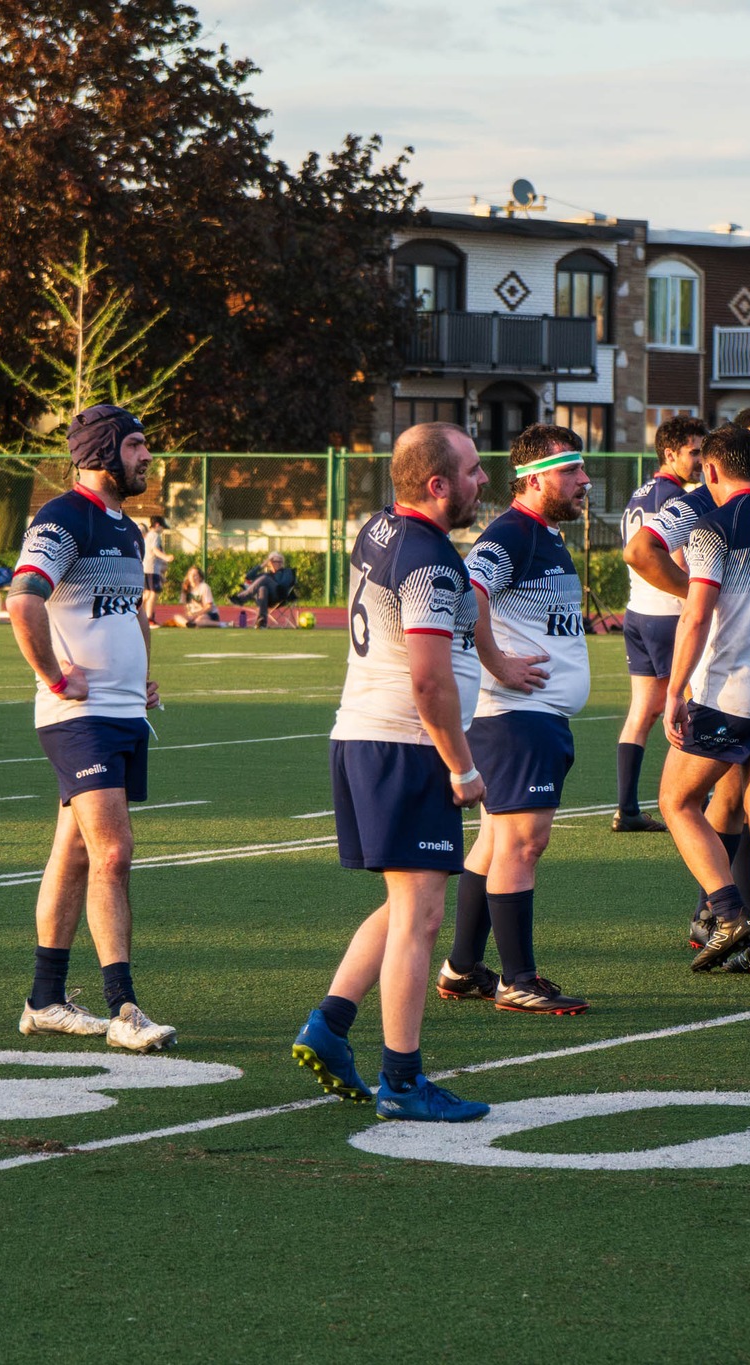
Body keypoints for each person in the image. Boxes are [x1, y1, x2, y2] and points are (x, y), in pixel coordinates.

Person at [290, 421, 491, 1123]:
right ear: (436, 486)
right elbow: (430, 682)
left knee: (404, 901)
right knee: (423, 914)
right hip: (406, 745)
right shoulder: (429, 560)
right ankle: (402, 1080)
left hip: (363, 736)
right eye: (471, 470)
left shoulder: (380, 527)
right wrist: (462, 767)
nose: (483, 480)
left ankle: (330, 1024)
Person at [626, 405, 750, 952]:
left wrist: (713, 601)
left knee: (705, 803)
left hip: (737, 685)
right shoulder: (701, 504)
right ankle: (729, 923)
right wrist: (698, 593)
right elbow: (639, 551)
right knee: (748, 810)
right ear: (742, 450)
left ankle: (731, 916)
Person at [7, 404, 175, 1052]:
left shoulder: (126, 528)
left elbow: (129, 612)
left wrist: (142, 677)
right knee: (113, 851)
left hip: (121, 710)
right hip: (82, 718)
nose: (146, 457)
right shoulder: (62, 517)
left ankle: (45, 999)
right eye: (136, 445)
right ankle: (123, 1008)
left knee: (74, 851)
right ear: (105, 451)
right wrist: (54, 676)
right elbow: (24, 599)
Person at [439, 424, 593, 1015]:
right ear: (532, 479)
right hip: (517, 716)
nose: (584, 481)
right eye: (570, 471)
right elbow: (468, 590)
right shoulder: (513, 532)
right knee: (524, 843)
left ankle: (461, 967)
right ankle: (517, 979)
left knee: (497, 841)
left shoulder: (544, 533)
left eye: (581, 470)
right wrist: (497, 662)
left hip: (531, 717)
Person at [613, 414, 707, 832]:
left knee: (643, 710)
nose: (701, 460)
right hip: (668, 613)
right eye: (695, 452)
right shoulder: (677, 497)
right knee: (692, 705)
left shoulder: (640, 492)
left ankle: (627, 808)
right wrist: (696, 595)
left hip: (637, 612)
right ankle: (693, 802)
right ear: (670, 453)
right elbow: (679, 558)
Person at [229, 550, 295, 628]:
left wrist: (273, 578)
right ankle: (262, 622)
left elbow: (284, 584)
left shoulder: (287, 572)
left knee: (264, 579)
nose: (278, 563)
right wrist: (261, 566)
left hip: (279, 595)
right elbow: (248, 577)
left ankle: (241, 598)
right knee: (263, 588)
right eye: (275, 561)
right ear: (269, 562)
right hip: (265, 598)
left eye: (280, 561)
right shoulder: (265, 574)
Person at [141, 514, 171, 620]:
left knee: (148, 594)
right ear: (157, 525)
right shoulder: (154, 535)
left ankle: (138, 614)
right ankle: (149, 618)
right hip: (151, 568)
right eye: (162, 527)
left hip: (148, 568)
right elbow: (154, 550)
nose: (162, 529)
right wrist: (166, 557)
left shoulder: (149, 535)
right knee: (152, 593)